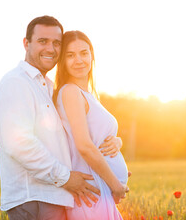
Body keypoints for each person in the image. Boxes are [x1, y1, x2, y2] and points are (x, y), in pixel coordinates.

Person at [0, 16, 123, 220]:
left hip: (56, 197)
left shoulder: (48, 87)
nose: (50, 49)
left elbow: (71, 139)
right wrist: (67, 178)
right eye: (43, 41)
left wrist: (114, 147)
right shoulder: (16, 83)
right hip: (33, 200)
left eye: (56, 43)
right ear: (26, 43)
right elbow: (19, 144)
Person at [53, 30, 129, 220]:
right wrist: (116, 186)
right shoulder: (70, 91)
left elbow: (96, 137)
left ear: (92, 55)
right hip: (91, 194)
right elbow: (84, 146)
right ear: (62, 61)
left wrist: (117, 142)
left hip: (100, 193)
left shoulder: (89, 95)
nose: (79, 60)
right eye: (70, 55)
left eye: (84, 53)